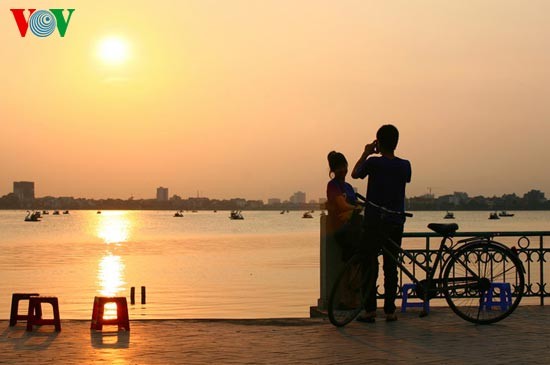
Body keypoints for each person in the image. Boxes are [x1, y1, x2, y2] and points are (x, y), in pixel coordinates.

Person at [351, 124, 411, 322]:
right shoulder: (405, 165)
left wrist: (366, 152)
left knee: (370, 264)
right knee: (391, 265)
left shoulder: (374, 163)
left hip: (375, 221)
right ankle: (390, 311)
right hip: (396, 221)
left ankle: (369, 310)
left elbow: (355, 173)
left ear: (379, 142)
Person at [325, 151, 361, 262]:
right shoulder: (332, 185)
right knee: (351, 260)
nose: (342, 170)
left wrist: (357, 209)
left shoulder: (349, 187)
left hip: (352, 227)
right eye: (338, 167)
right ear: (333, 170)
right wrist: (355, 210)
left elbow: (357, 204)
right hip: (341, 229)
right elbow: (342, 205)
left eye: (344, 166)